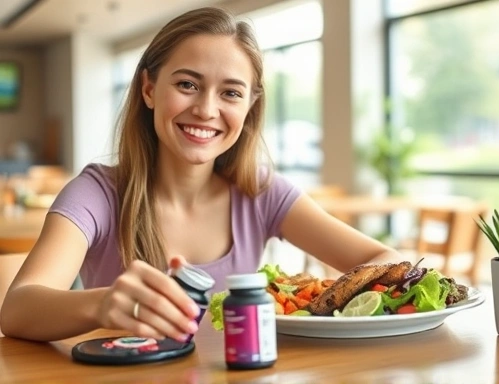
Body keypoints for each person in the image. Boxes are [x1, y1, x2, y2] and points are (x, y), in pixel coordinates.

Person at [0, 7, 401, 342]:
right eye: (188, 84)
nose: (207, 110)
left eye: (230, 93)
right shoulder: (96, 193)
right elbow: (18, 308)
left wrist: (316, 304)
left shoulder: (262, 192)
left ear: (249, 108)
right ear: (149, 89)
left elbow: (385, 260)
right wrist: (103, 303)